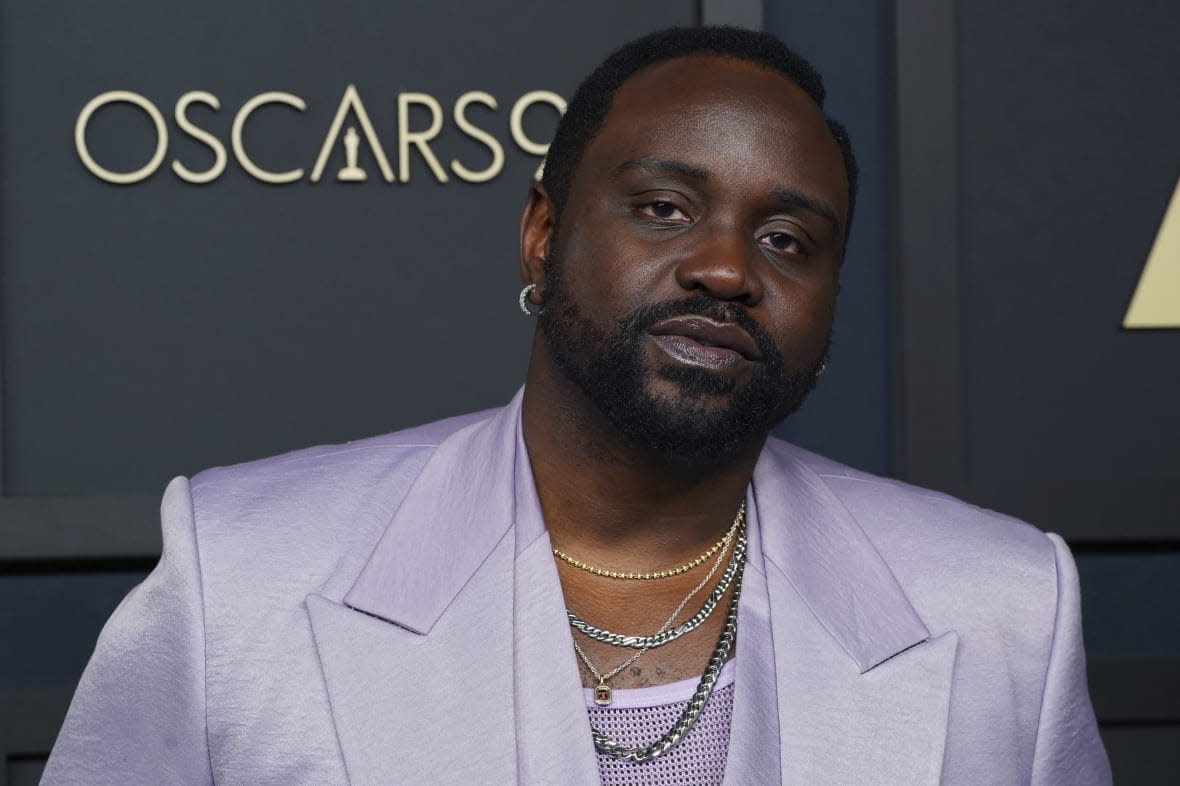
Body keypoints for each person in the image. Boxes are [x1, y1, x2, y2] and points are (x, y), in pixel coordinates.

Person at [43, 26, 1110, 785]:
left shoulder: (1003, 609)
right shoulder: (240, 577)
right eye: (662, 208)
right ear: (542, 234)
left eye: (787, 240)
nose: (726, 269)